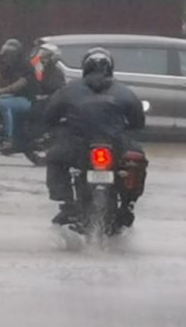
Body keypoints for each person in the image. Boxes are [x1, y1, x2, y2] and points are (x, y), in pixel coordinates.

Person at [44, 47, 147, 225]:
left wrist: (55, 127)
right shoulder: (124, 91)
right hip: (116, 145)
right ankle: (128, 203)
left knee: (54, 158)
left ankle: (67, 202)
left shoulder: (68, 90)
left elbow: (49, 116)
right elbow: (138, 121)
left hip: (79, 145)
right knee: (137, 158)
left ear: (85, 68)